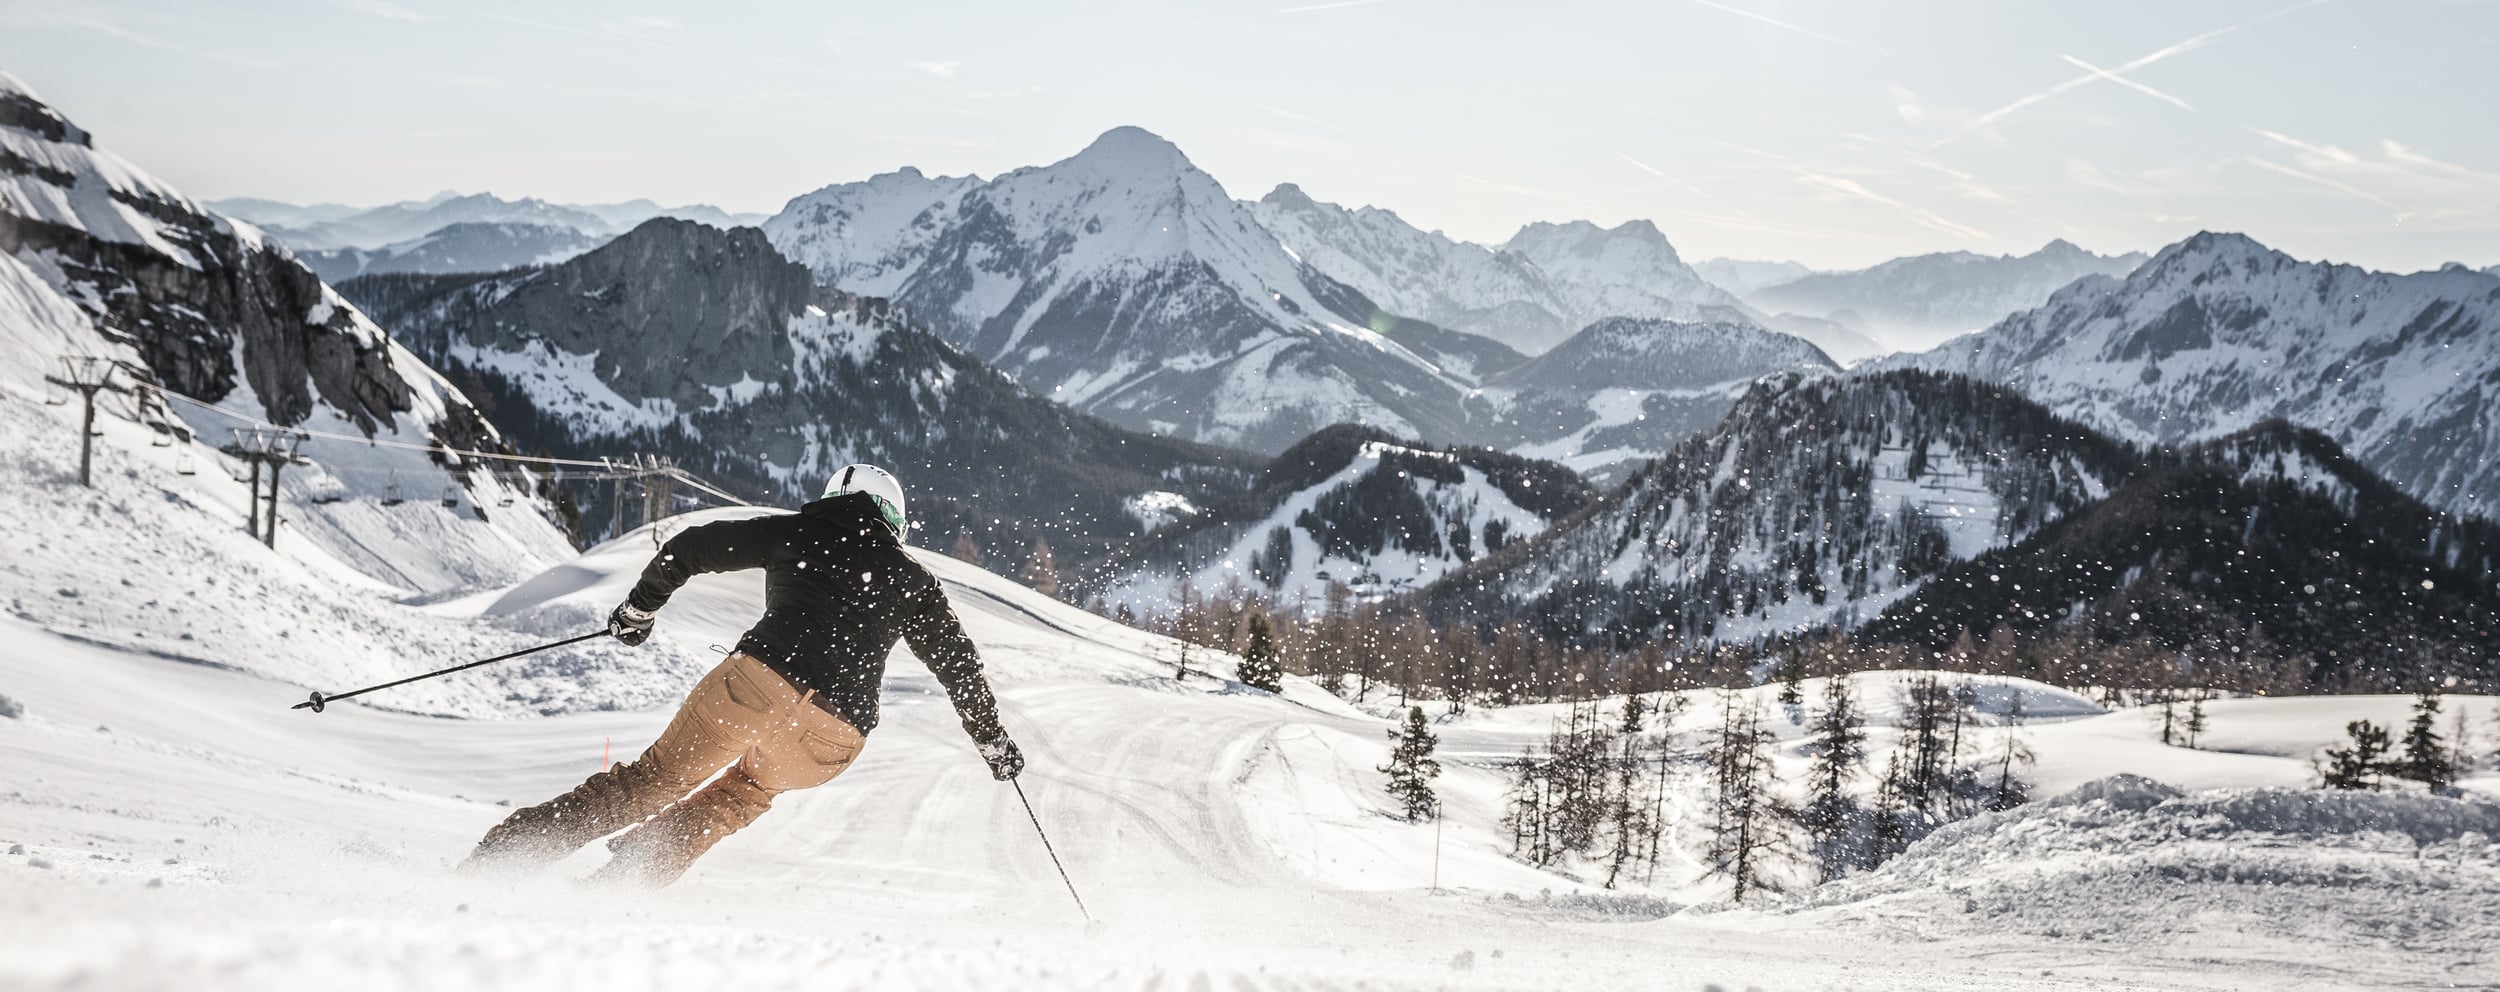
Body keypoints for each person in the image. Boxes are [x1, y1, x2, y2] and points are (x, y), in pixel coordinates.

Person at [461, 464, 1023, 886]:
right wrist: (992, 742)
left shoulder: (798, 533)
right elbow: (960, 668)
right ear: (893, 520)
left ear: (834, 499)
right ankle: (620, 886)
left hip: (754, 688)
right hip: (833, 736)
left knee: (649, 783)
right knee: (738, 798)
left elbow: (688, 549)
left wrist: (638, 610)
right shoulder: (912, 581)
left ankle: (499, 863)